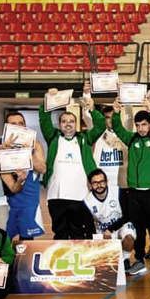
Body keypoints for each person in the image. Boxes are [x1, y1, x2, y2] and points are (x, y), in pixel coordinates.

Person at [39, 88, 106, 239]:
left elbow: (100, 125)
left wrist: (92, 108)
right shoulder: (53, 137)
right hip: (56, 196)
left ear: (76, 123)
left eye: (71, 121)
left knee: (79, 234)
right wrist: (48, 98)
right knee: (60, 233)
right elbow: (44, 119)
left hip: (80, 195)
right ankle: (61, 262)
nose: (68, 124)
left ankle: (80, 261)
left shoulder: (85, 139)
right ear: (59, 124)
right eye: (64, 121)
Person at [111, 98, 150, 276]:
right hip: (134, 193)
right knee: (138, 229)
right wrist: (116, 112)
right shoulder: (132, 139)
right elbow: (118, 129)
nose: (141, 128)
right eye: (138, 125)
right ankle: (140, 260)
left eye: (144, 124)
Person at [0, 111, 46, 243]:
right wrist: (2, 147)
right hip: (5, 198)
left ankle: (24, 263)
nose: (18, 126)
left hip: (27, 199)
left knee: (26, 241)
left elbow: (42, 168)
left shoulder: (34, 143)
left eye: (21, 123)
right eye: (13, 124)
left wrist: (29, 152)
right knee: (5, 237)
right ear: (6, 127)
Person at [83, 169, 136, 273]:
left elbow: (127, 215)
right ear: (90, 185)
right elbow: (89, 226)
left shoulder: (117, 191)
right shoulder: (87, 201)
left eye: (102, 182)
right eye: (95, 183)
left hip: (119, 227)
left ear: (106, 182)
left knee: (129, 236)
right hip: (101, 232)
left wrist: (111, 229)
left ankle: (124, 259)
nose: (99, 185)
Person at [93, 105, 129, 189]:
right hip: (102, 184)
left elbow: (129, 116)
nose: (111, 120)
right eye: (108, 117)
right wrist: (86, 94)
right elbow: (87, 117)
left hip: (122, 184)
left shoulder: (125, 134)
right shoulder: (98, 133)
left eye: (114, 117)